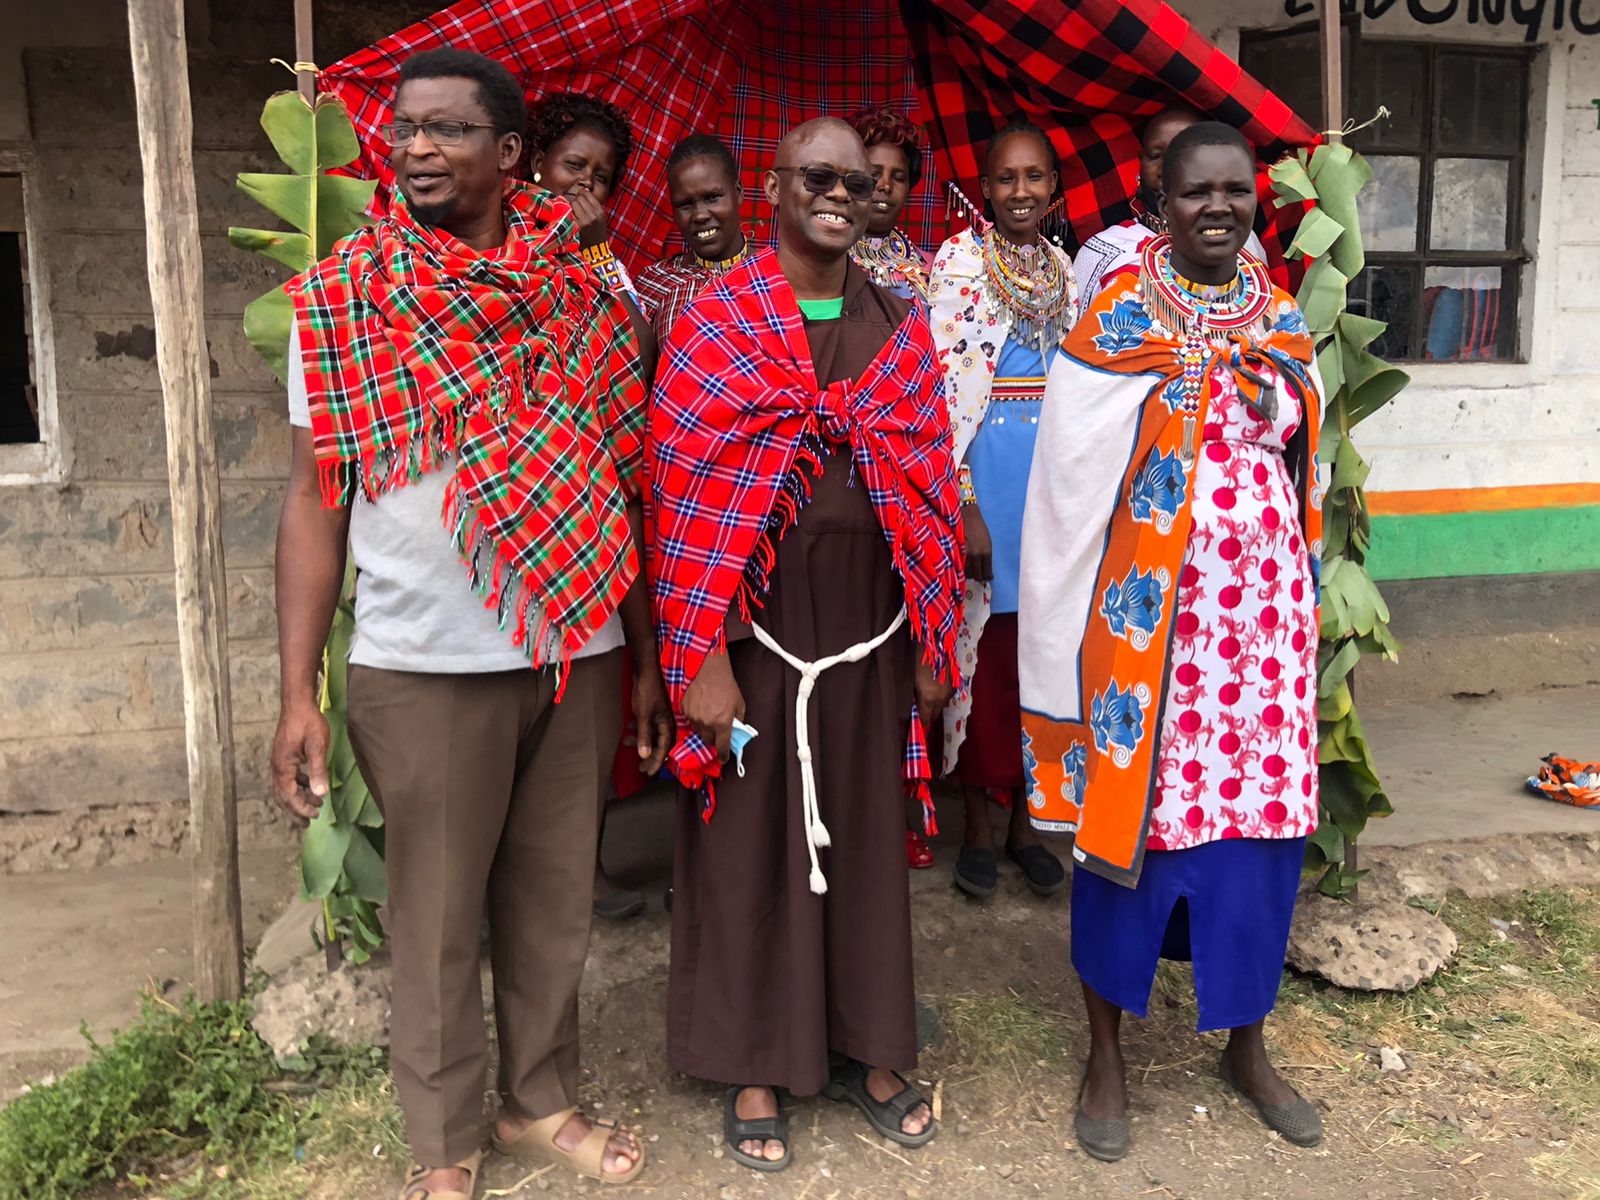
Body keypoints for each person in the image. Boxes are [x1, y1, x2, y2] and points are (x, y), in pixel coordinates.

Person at [269, 49, 671, 1199]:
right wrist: (299, 691)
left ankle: (535, 1104)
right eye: (403, 130)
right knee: (437, 917)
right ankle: (441, 1141)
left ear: (509, 156)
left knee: (550, 902)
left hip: (572, 651)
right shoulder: (345, 300)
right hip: (422, 663)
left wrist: (640, 656)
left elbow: (619, 477)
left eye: (446, 130)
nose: (413, 148)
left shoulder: (589, 294)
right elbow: (313, 494)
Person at [650, 117, 964, 1172]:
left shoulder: (898, 321)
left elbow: (924, 484)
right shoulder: (718, 320)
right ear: (772, 190)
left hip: (870, 633)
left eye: (857, 182)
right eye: (816, 178)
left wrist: (929, 635)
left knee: (863, 845)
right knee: (748, 847)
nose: (839, 194)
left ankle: (869, 1048)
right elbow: (686, 499)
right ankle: (751, 1062)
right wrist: (698, 656)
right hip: (757, 633)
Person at [1017, 122, 1326, 1162]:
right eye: (1197, 192)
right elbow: (1067, 481)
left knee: (1254, 841)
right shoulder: (1117, 319)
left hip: (1259, 645)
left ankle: (1246, 1039)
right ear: (1161, 200)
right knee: (1128, 834)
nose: (1220, 208)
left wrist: (1269, 400)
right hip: (1149, 638)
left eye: (1236, 191)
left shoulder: (1280, 315)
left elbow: (1301, 443)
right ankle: (1104, 1050)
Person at [929, 119, 1078, 900]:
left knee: (1040, 657)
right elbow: (941, 395)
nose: (1021, 191)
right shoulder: (958, 261)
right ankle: (979, 828)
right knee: (979, 660)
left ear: (1053, 190)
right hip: (985, 477)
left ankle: (1027, 823)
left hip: (1052, 484)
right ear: (985, 190)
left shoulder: (1064, 267)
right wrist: (964, 506)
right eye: (1006, 179)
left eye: (1035, 178)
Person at [526, 90, 661, 921]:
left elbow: (633, 358)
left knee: (589, 706)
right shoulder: (500, 246)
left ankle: (590, 867)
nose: (588, 187)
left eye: (603, 176)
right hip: (529, 502)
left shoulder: (606, 262)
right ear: (533, 163)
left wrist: (591, 261)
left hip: (600, 496)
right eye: (575, 166)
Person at [844, 104, 939, 869]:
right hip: (837, 484)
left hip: (904, 478)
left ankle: (901, 811)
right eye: (868, 175)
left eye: (896, 178)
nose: (881, 189)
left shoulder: (928, 271)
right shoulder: (818, 261)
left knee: (902, 649)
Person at [1074, 105, 1266, 300]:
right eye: (1156, 156)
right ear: (1141, 163)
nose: (1167, 168)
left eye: (1185, 155)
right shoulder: (1104, 251)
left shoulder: (1245, 242)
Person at [634, 133, 750, 342]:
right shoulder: (655, 283)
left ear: (739, 192)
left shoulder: (776, 274)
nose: (700, 215)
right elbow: (636, 366)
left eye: (712, 197)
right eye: (685, 205)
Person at [845, 106, 932, 305]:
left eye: (899, 177)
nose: (885, 186)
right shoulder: (827, 261)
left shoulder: (933, 268)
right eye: (874, 175)